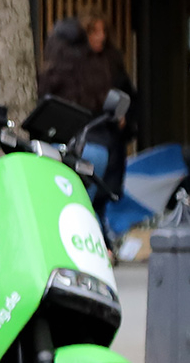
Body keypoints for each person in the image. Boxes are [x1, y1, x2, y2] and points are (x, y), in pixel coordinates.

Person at [37, 12, 136, 213]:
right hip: (100, 150)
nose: (101, 37)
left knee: (66, 212)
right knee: (90, 212)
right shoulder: (100, 69)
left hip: (63, 150)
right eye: (95, 31)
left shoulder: (53, 74)